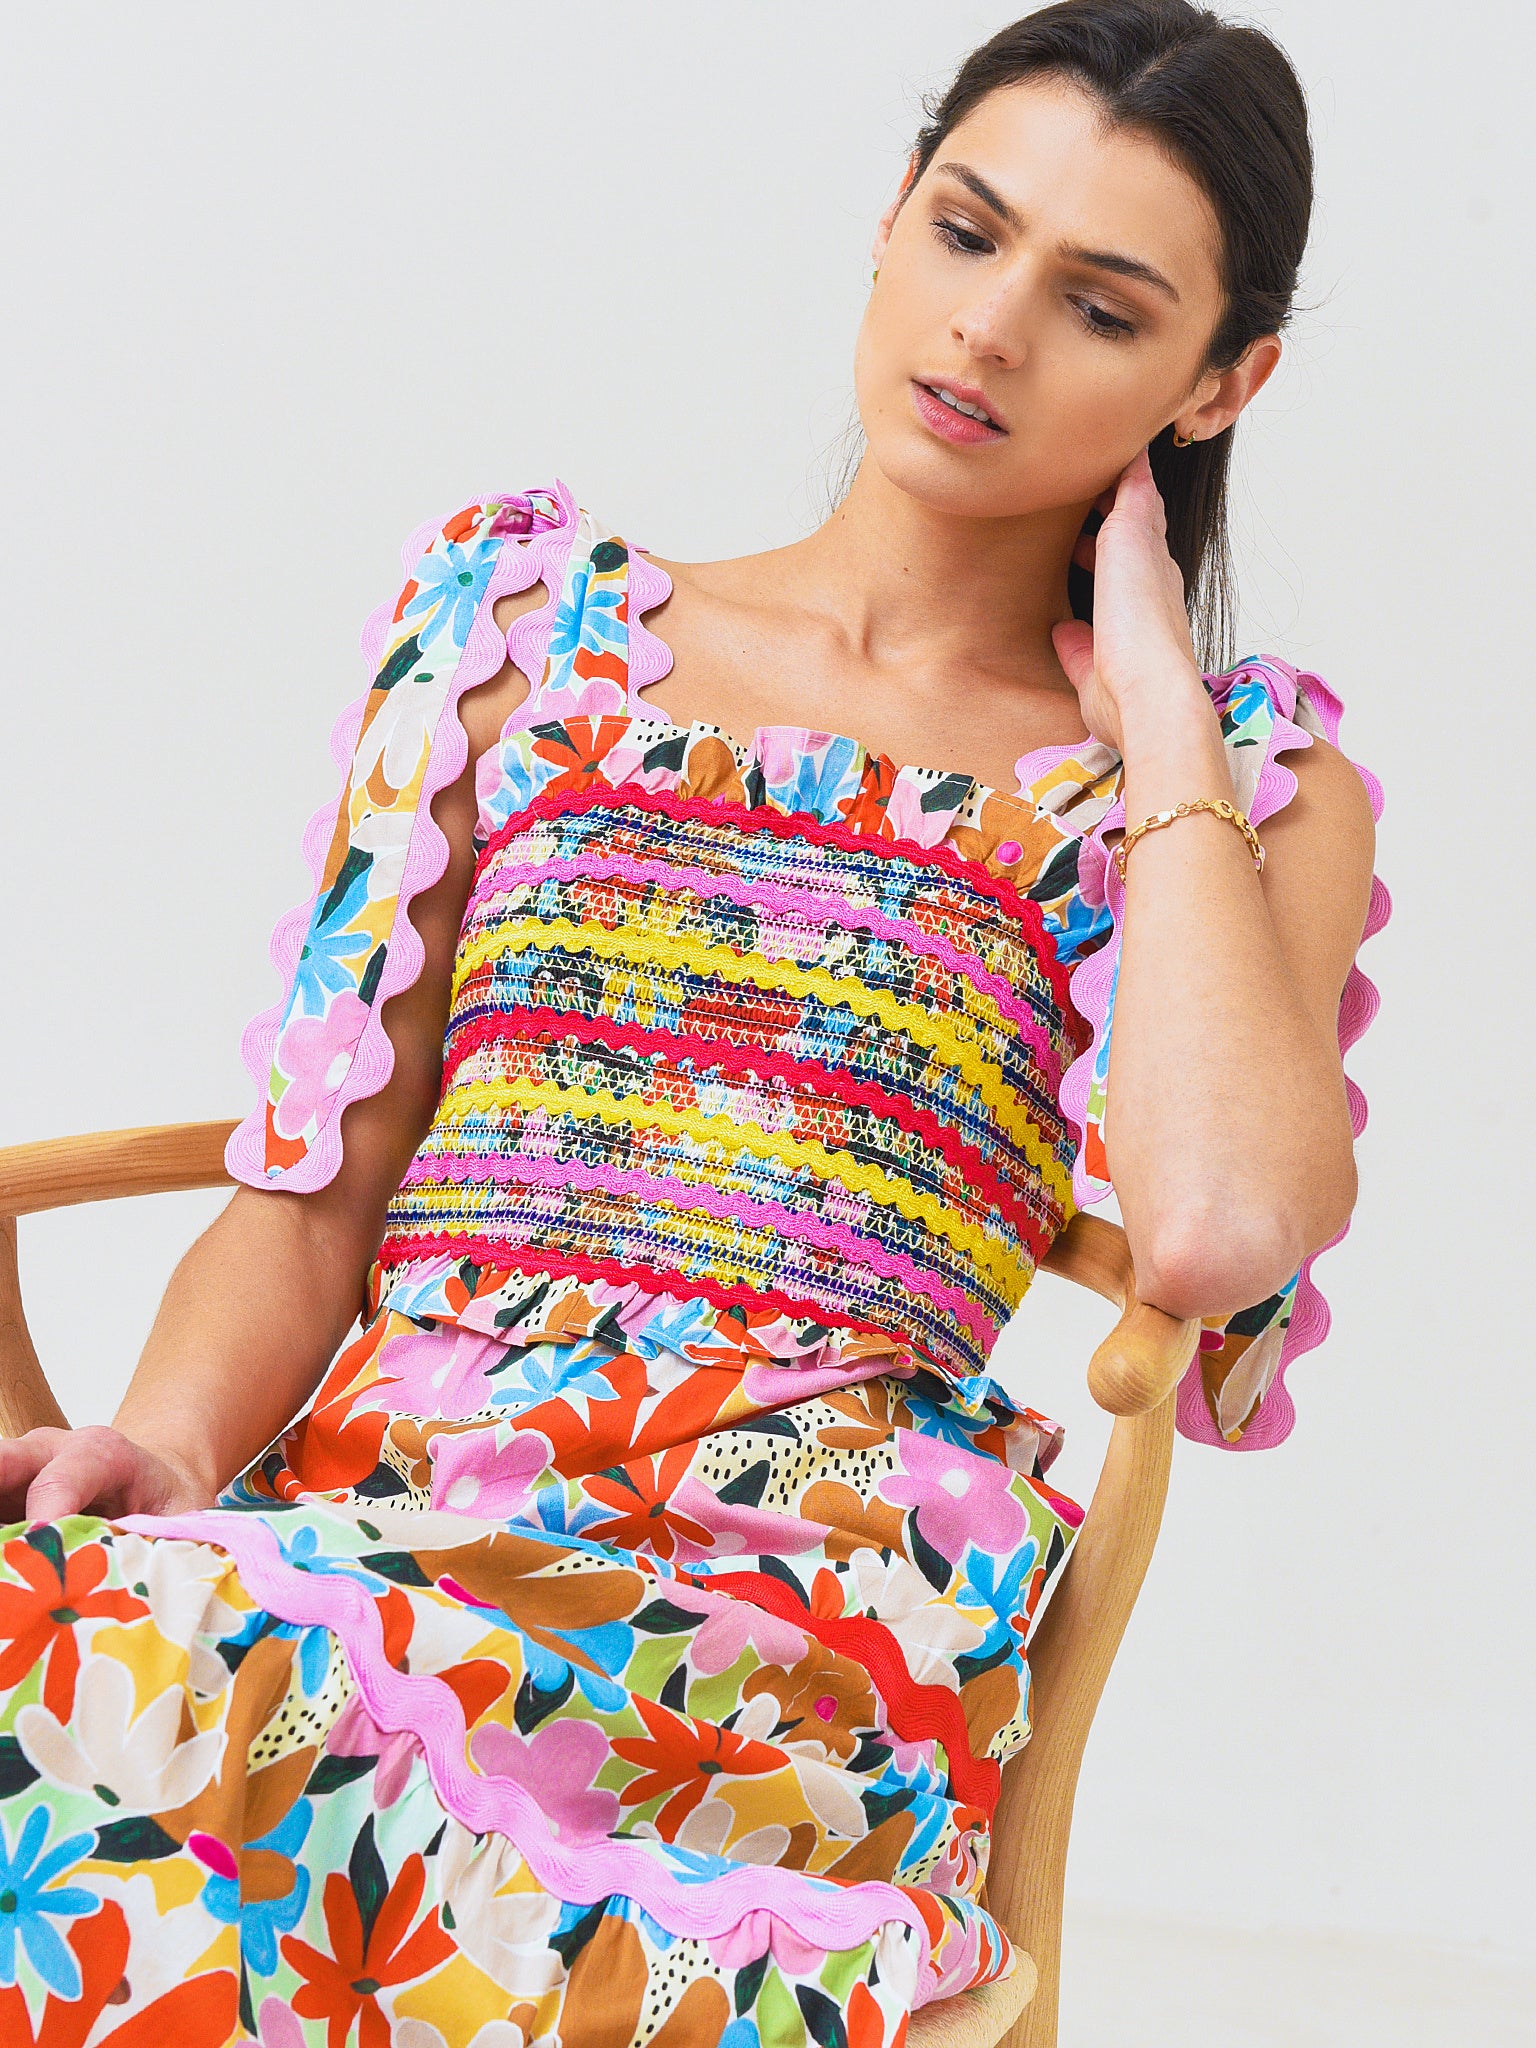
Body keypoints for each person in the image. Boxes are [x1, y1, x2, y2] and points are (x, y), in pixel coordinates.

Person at [0, 3, 1387, 2041]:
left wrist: (1163, 718)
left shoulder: (1233, 789)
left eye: (1100, 307)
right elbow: (315, 1190)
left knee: (167, 1693)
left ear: (1222, 380)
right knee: (99, 1643)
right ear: (893, 217)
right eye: (966, 230)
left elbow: (1213, 1232)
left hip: (785, 1605)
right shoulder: (523, 628)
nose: (989, 328)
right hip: (384, 1521)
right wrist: (175, 1445)